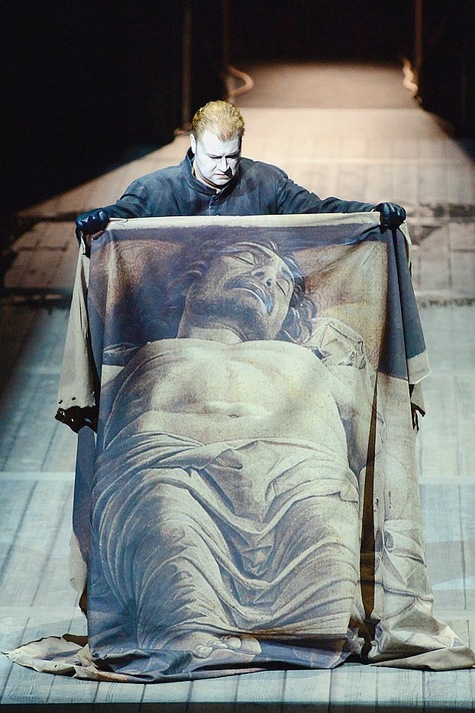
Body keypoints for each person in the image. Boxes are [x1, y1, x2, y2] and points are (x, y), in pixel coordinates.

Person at [87, 236, 377, 676]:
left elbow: (370, 444)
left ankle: (295, 634)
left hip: (299, 480)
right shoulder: (140, 357)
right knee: (171, 539)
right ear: (192, 280)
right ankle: (193, 630)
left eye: (283, 284)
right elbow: (98, 442)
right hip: (170, 473)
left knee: (325, 566)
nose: (266, 278)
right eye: (246, 258)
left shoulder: (309, 362)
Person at [75, 100, 406, 242]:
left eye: (232, 156)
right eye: (214, 157)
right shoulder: (154, 190)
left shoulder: (267, 182)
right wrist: (101, 221)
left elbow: (320, 212)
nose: (224, 167)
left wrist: (371, 213)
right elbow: (125, 216)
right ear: (193, 143)